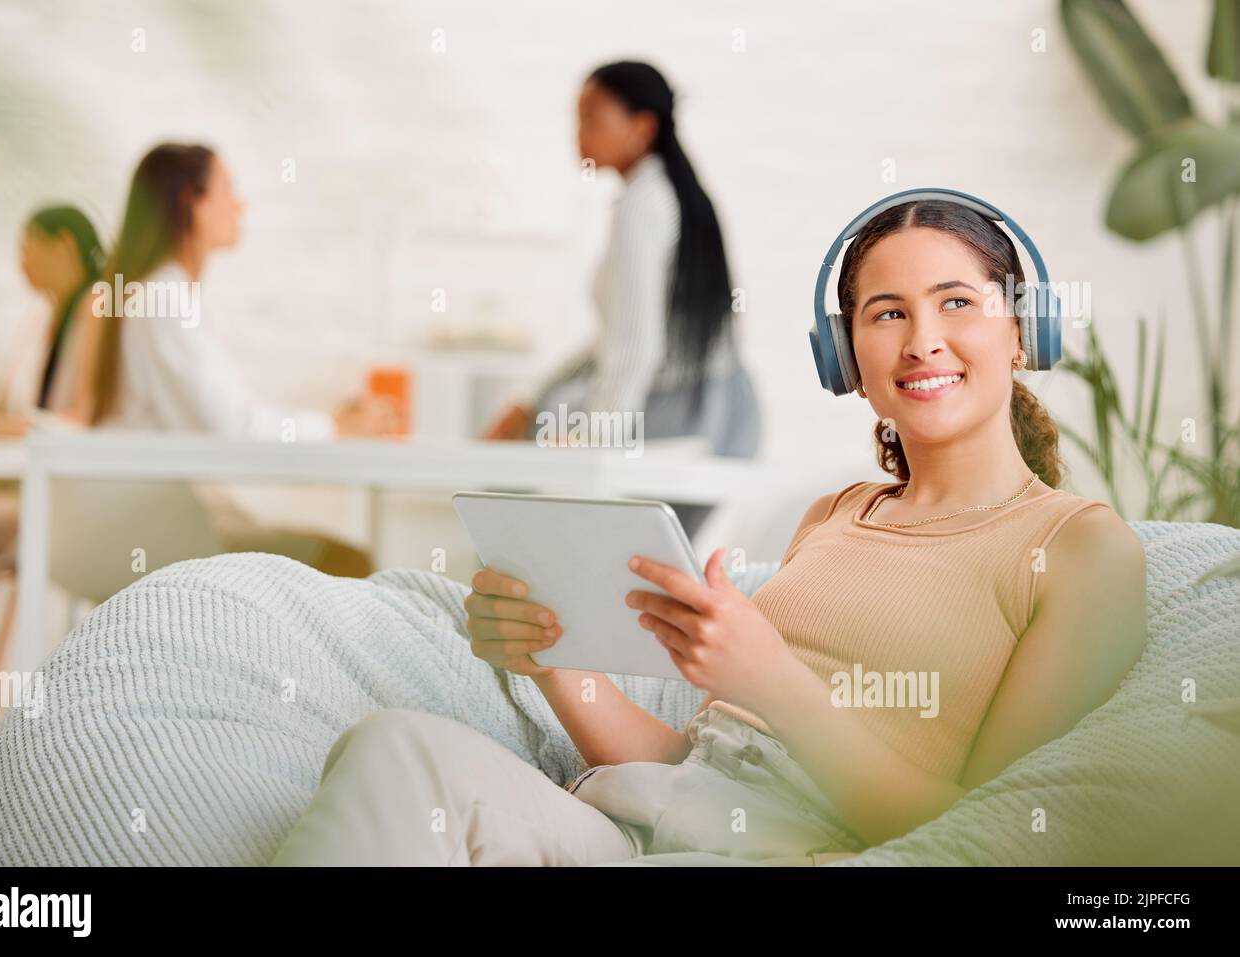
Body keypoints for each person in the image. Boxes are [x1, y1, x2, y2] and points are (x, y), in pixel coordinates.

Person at [272, 199, 1148, 865]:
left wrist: (770, 677)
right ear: (847, 362)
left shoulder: (1081, 551)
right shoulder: (836, 516)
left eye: (956, 302)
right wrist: (553, 663)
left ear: (1024, 329)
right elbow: (690, 766)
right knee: (395, 746)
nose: (923, 340)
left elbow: (989, 837)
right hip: (655, 823)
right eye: (887, 313)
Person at [88, 143, 395, 577]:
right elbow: (231, 432)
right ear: (191, 204)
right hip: (151, 532)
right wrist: (335, 429)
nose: (240, 203)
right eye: (228, 189)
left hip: (137, 521)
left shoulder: (150, 295)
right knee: (349, 564)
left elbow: (224, 425)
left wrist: (331, 428)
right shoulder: (165, 300)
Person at [482, 61, 761, 539]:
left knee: (553, 499)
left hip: (679, 413)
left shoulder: (641, 206)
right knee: (647, 561)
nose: (579, 135)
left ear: (642, 127)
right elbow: (622, 339)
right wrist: (531, 399)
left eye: (592, 119)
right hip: (730, 413)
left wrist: (594, 446)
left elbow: (634, 349)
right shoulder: (679, 196)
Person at [0, 205, 105, 563]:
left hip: (56, 478)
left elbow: (80, 420)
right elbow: (1, 406)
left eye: (28, 247)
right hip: (13, 465)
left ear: (63, 245)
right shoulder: (39, 317)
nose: (22, 262)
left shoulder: (97, 306)